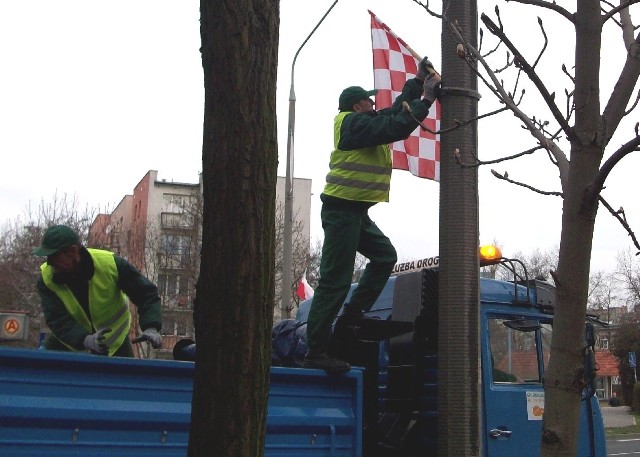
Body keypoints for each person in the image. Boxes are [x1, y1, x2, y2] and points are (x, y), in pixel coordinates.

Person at [303, 59, 441, 374]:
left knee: (384, 256)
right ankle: (316, 349)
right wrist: (427, 101)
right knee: (335, 282)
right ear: (357, 104)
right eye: (369, 99)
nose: (373, 101)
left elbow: (393, 112)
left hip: (354, 210)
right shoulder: (352, 124)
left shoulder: (361, 123)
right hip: (342, 210)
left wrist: (417, 82)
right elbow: (395, 124)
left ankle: (352, 316)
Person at [33, 224, 163, 357]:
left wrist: (151, 327)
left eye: (54, 257)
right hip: (70, 345)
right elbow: (57, 319)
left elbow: (146, 294)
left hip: (115, 345)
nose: (50, 263)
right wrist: (84, 339)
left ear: (72, 251)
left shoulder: (111, 265)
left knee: (127, 377)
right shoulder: (46, 279)